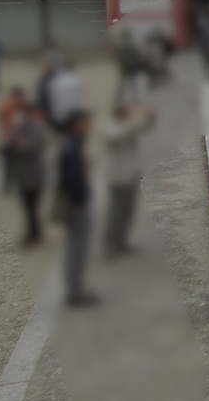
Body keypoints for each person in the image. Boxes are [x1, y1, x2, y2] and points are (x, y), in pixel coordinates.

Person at [102, 102, 155, 259]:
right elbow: (117, 135)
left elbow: (144, 127)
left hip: (131, 175)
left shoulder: (128, 126)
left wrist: (150, 117)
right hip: (117, 178)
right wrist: (135, 120)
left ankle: (121, 242)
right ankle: (109, 245)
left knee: (127, 211)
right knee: (115, 213)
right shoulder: (110, 127)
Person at [59, 110, 99, 306]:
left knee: (76, 249)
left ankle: (75, 289)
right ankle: (75, 293)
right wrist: (81, 199)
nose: (88, 127)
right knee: (77, 250)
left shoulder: (72, 144)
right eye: (84, 124)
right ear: (75, 125)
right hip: (77, 206)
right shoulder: (71, 147)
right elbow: (71, 180)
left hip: (76, 203)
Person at [7, 103, 47, 248]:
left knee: (32, 207)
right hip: (23, 175)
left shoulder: (37, 129)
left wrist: (22, 144)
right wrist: (16, 143)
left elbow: (33, 147)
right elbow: (10, 144)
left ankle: (33, 234)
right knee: (27, 207)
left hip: (35, 175)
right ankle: (34, 233)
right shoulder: (17, 129)